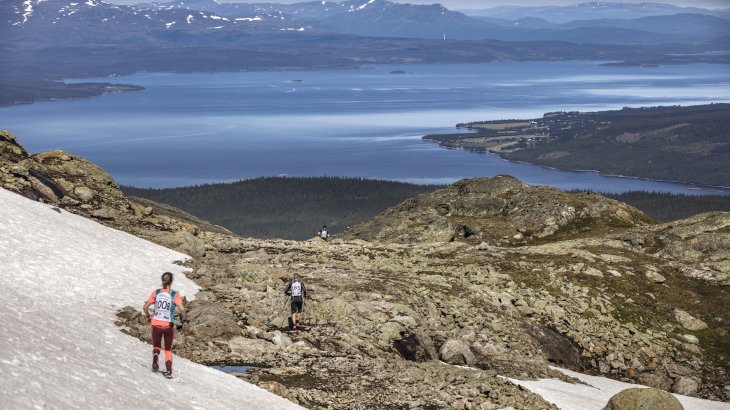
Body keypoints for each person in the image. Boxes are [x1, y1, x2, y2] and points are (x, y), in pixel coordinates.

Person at [143, 272, 188, 378]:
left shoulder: (156, 292)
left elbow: (145, 307)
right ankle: (169, 371)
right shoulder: (174, 295)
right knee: (168, 349)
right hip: (168, 325)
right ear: (171, 281)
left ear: (162, 280)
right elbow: (182, 309)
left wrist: (148, 316)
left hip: (156, 323)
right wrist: (185, 318)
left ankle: (155, 359)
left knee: (156, 346)